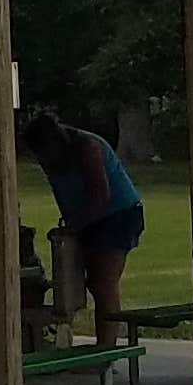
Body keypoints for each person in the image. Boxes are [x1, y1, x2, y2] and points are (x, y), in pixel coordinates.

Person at [22, 108, 145, 344]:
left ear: (57, 140)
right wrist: (68, 223)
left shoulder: (87, 147)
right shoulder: (49, 158)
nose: (44, 159)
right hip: (88, 218)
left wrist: (74, 226)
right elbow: (59, 190)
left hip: (119, 214)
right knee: (85, 282)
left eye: (45, 153)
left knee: (103, 283)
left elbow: (101, 196)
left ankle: (106, 349)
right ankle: (94, 343)